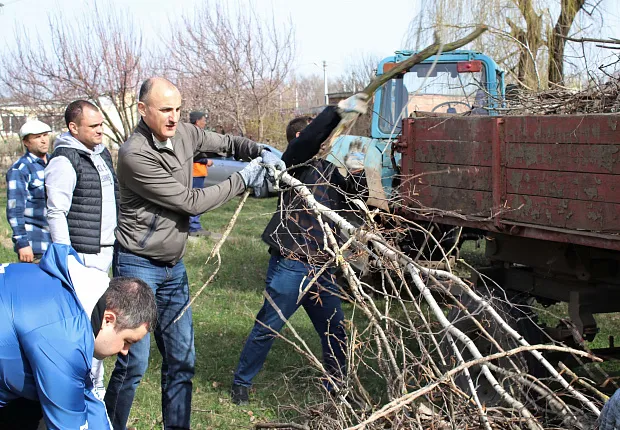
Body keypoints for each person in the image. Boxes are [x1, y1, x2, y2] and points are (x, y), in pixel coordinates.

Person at [105, 77, 283, 430]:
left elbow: (228, 142)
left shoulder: (184, 133)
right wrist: (245, 178)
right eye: (165, 110)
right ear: (143, 110)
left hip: (173, 268)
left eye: (178, 109)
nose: (174, 118)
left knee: (182, 361)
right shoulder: (134, 155)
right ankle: (107, 425)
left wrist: (260, 150)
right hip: (137, 266)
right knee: (134, 364)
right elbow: (190, 202)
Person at [230, 93, 368, 405]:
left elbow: (357, 201)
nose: (326, 140)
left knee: (335, 332)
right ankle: (241, 383)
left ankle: (337, 388)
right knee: (268, 326)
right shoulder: (291, 164)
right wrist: (335, 112)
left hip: (323, 267)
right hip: (291, 265)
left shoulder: (330, 171)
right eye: (318, 135)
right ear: (299, 138)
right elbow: (307, 140)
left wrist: (357, 174)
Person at [0, 243, 157, 430]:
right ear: (109, 319)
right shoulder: (66, 337)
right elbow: (67, 423)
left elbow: (85, 395)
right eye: (127, 341)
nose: (125, 351)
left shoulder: (72, 292)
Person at [45, 100, 119, 273]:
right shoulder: (64, 160)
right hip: (83, 254)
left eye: (101, 124)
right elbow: (56, 211)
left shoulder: (102, 153)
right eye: (93, 126)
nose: (100, 130)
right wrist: (67, 256)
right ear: (74, 127)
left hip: (108, 248)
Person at [6, 119, 52, 263]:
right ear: (26, 142)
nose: (43, 140)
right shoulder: (20, 169)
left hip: (57, 243)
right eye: (37, 137)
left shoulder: (55, 163)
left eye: (45, 135)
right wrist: (22, 243)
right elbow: (15, 209)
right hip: (35, 246)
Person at [188, 111, 220, 239]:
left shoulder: (193, 134)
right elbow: (193, 155)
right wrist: (206, 161)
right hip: (195, 173)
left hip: (196, 172)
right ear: (197, 121)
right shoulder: (194, 135)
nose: (205, 122)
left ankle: (191, 226)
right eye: (203, 120)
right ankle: (194, 227)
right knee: (196, 200)